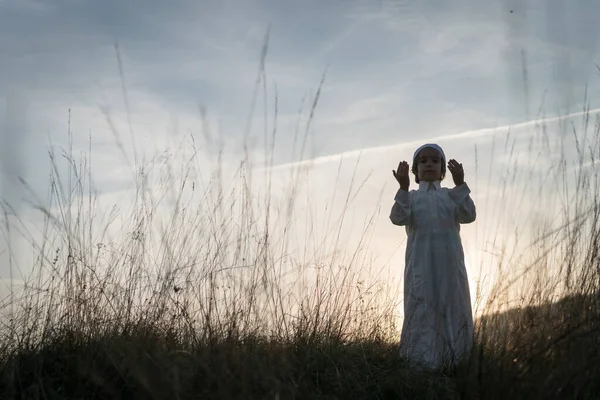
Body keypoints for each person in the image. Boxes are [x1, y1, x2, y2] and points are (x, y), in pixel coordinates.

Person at [390, 143, 476, 370]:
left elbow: (469, 215)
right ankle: (420, 364)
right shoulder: (411, 197)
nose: (429, 164)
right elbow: (398, 218)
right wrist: (403, 188)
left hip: (449, 265)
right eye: (423, 161)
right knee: (422, 306)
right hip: (421, 264)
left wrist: (460, 185)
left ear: (442, 169)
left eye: (435, 160)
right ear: (415, 170)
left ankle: (457, 362)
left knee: (453, 304)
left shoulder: (451, 196)